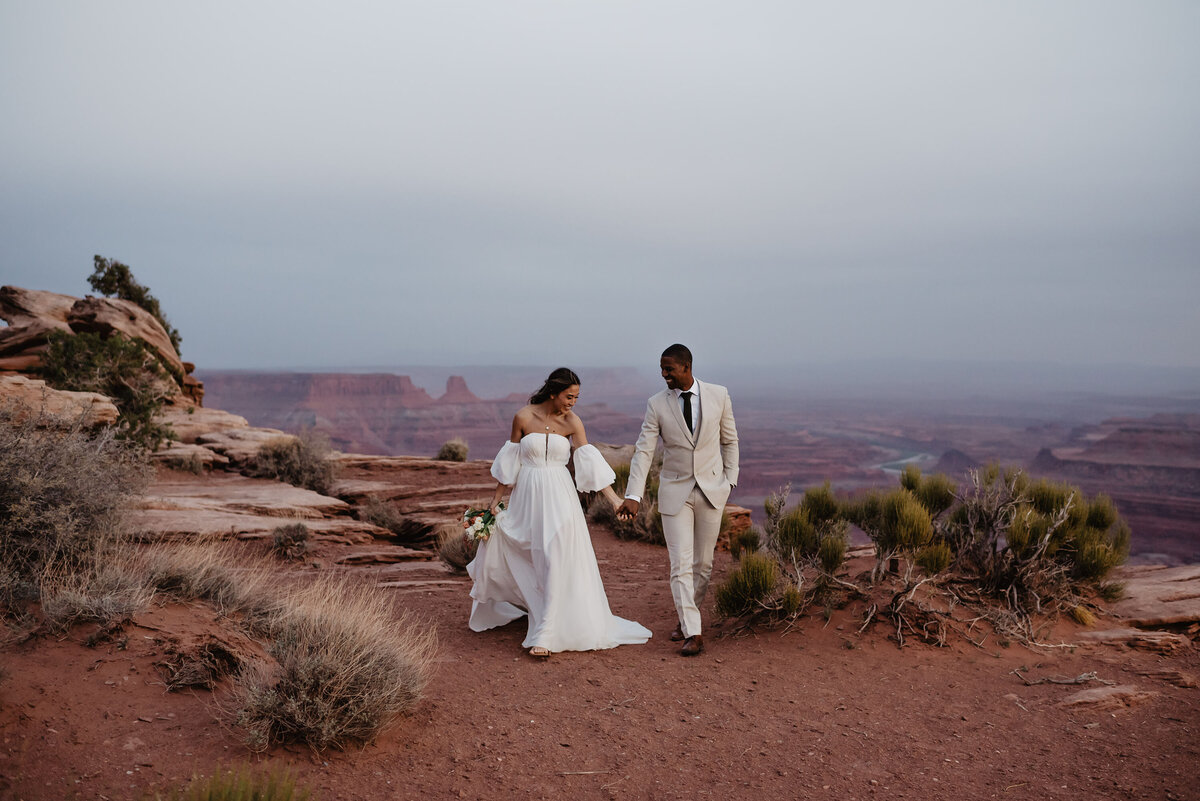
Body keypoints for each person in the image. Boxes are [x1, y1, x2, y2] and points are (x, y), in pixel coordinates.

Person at [466, 368, 652, 658]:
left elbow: (589, 463)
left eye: (577, 397)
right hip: (527, 494)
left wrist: (615, 500)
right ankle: (533, 606)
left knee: (555, 554)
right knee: (532, 552)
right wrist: (496, 501)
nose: (573, 403)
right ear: (553, 392)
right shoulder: (523, 417)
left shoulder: (573, 422)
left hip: (561, 495)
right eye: (569, 396)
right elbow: (510, 463)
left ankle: (546, 633)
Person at [617, 345, 739, 656]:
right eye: (662, 368)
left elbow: (730, 440)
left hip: (712, 490)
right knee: (680, 564)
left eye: (669, 369)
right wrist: (633, 494)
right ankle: (694, 633)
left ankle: (687, 618)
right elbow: (644, 451)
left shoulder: (719, 395)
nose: (663, 374)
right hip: (675, 493)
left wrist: (730, 480)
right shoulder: (656, 404)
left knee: (704, 565)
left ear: (686, 367)